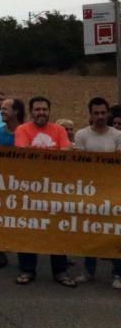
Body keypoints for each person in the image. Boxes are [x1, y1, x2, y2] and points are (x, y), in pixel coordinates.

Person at [14, 96, 75, 287]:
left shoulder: (59, 130)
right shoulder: (22, 129)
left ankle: (60, 271)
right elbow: (23, 153)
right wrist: (53, 153)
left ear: (49, 111)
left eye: (44, 109)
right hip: (30, 188)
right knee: (28, 228)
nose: (41, 112)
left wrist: (38, 153)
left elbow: (67, 150)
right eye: (37, 109)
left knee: (57, 230)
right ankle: (27, 270)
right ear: (31, 112)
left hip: (56, 188)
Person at [71, 97, 121, 288]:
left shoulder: (117, 135)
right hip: (89, 190)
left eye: (103, 113)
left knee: (115, 232)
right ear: (90, 114)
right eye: (96, 113)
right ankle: (88, 270)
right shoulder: (82, 135)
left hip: (114, 190)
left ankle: (117, 273)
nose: (100, 116)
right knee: (89, 232)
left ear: (108, 113)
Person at [0, 98, 25, 268]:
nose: (1, 111)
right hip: (3, 183)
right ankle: (1, 250)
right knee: (3, 217)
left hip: (24, 183)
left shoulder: (26, 132)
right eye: (1, 109)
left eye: (5, 109)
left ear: (16, 112)